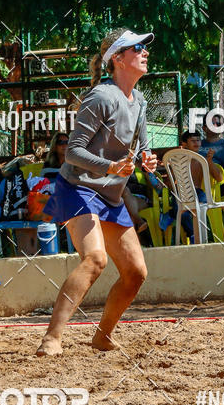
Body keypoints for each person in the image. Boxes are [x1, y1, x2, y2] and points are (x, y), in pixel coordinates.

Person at [37, 27, 158, 355]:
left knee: (136, 273)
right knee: (95, 259)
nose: (145, 52)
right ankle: (52, 338)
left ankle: (102, 336)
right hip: (78, 188)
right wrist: (111, 167)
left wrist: (147, 160)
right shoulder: (101, 96)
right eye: (137, 49)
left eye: (143, 48)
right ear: (117, 58)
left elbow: (143, 148)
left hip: (110, 195)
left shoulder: (139, 100)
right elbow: (73, 152)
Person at [175, 130, 224, 241]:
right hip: (180, 193)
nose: (196, 143)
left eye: (198, 140)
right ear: (184, 144)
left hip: (197, 192)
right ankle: (194, 236)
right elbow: (171, 182)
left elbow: (219, 178)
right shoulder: (178, 160)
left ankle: (169, 216)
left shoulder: (202, 160)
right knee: (181, 211)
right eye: (192, 141)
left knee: (199, 207)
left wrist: (209, 161)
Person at [200, 113, 224, 194]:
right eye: (212, 123)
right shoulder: (197, 144)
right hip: (197, 179)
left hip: (218, 183)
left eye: (218, 124)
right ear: (204, 128)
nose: (215, 126)